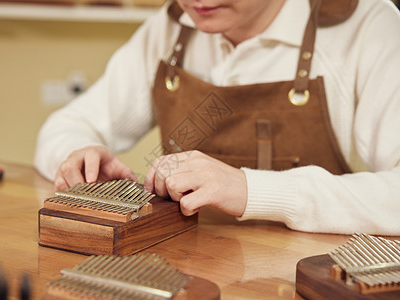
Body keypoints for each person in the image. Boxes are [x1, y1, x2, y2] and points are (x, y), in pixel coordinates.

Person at [34, 0, 400, 235]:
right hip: (182, 273)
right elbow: (65, 126)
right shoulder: (173, 25)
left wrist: (250, 189)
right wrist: (78, 155)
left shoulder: (367, 24)